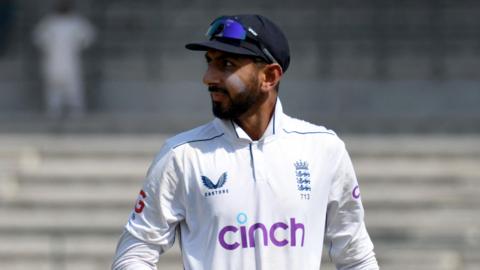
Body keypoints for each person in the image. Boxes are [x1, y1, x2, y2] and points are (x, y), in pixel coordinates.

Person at [112, 14, 379, 270]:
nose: (209, 77)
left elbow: (356, 258)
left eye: (227, 65)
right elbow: (134, 253)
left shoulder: (324, 149)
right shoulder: (181, 156)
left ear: (270, 77)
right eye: (209, 61)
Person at [33, 0, 95, 119]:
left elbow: (89, 35)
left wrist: (79, 45)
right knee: (53, 86)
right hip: (53, 59)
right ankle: (53, 112)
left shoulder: (76, 21)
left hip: (71, 59)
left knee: (74, 86)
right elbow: (38, 37)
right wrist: (48, 46)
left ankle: (76, 113)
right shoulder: (50, 22)